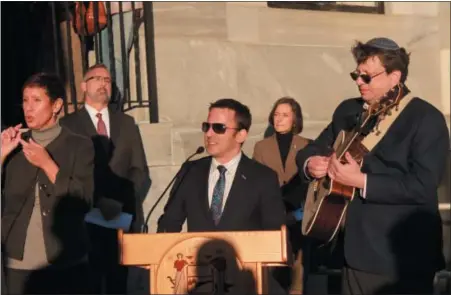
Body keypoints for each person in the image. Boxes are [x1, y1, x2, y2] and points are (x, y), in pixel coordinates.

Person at [296, 37, 450, 295]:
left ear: (395, 76)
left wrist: (362, 181)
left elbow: (423, 186)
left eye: (367, 77)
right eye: (356, 75)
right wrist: (311, 164)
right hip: (352, 253)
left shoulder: (426, 119)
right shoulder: (347, 111)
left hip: (401, 256)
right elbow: (312, 149)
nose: (359, 82)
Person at [60, 63, 151, 294]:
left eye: (108, 80)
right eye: (97, 78)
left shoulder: (126, 123)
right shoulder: (67, 125)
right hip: (84, 219)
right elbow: (65, 172)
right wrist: (97, 202)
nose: (103, 84)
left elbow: (139, 170)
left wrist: (118, 203)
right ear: (83, 85)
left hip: (120, 219)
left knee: (118, 284)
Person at [1, 73, 94, 294]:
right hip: (18, 262)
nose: (28, 108)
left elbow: (83, 200)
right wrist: (2, 155)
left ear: (57, 105)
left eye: (36, 100)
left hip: (65, 260)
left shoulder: (79, 146)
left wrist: (48, 164)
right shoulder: (15, 146)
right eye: (25, 100)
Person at [157, 98, 286, 233]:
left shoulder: (263, 178)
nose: (209, 134)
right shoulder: (190, 171)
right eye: (206, 127)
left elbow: (275, 235)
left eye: (219, 128)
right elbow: (169, 223)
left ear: (241, 135)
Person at [253, 96, 311, 294]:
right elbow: (256, 181)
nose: (279, 119)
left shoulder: (307, 145)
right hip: (272, 213)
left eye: (285, 115)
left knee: (298, 269)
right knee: (273, 269)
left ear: (295, 119)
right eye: (276, 114)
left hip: (298, 214)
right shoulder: (261, 147)